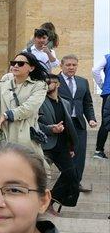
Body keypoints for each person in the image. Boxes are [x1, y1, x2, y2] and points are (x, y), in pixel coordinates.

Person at [38, 74, 80, 215]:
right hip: (46, 145)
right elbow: (34, 124)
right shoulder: (39, 101)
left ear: (58, 84)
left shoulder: (65, 103)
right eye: (45, 82)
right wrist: (51, 129)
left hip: (62, 146)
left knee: (71, 175)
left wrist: (71, 146)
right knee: (40, 176)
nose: (47, 84)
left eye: (50, 82)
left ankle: (50, 201)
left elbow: (68, 126)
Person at [0, 53, 46, 158]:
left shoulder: (39, 85)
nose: (16, 66)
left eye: (21, 63)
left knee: (30, 164)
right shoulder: (1, 85)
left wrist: (6, 115)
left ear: (31, 68)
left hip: (24, 133)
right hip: (3, 132)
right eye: (13, 63)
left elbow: (29, 108)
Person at [56, 54, 97, 192]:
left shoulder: (83, 82)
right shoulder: (54, 80)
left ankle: (75, 183)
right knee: (64, 156)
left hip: (79, 123)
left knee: (79, 156)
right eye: (68, 65)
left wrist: (91, 118)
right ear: (61, 66)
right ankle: (64, 185)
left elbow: (87, 103)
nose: (71, 67)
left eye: (74, 65)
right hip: (61, 124)